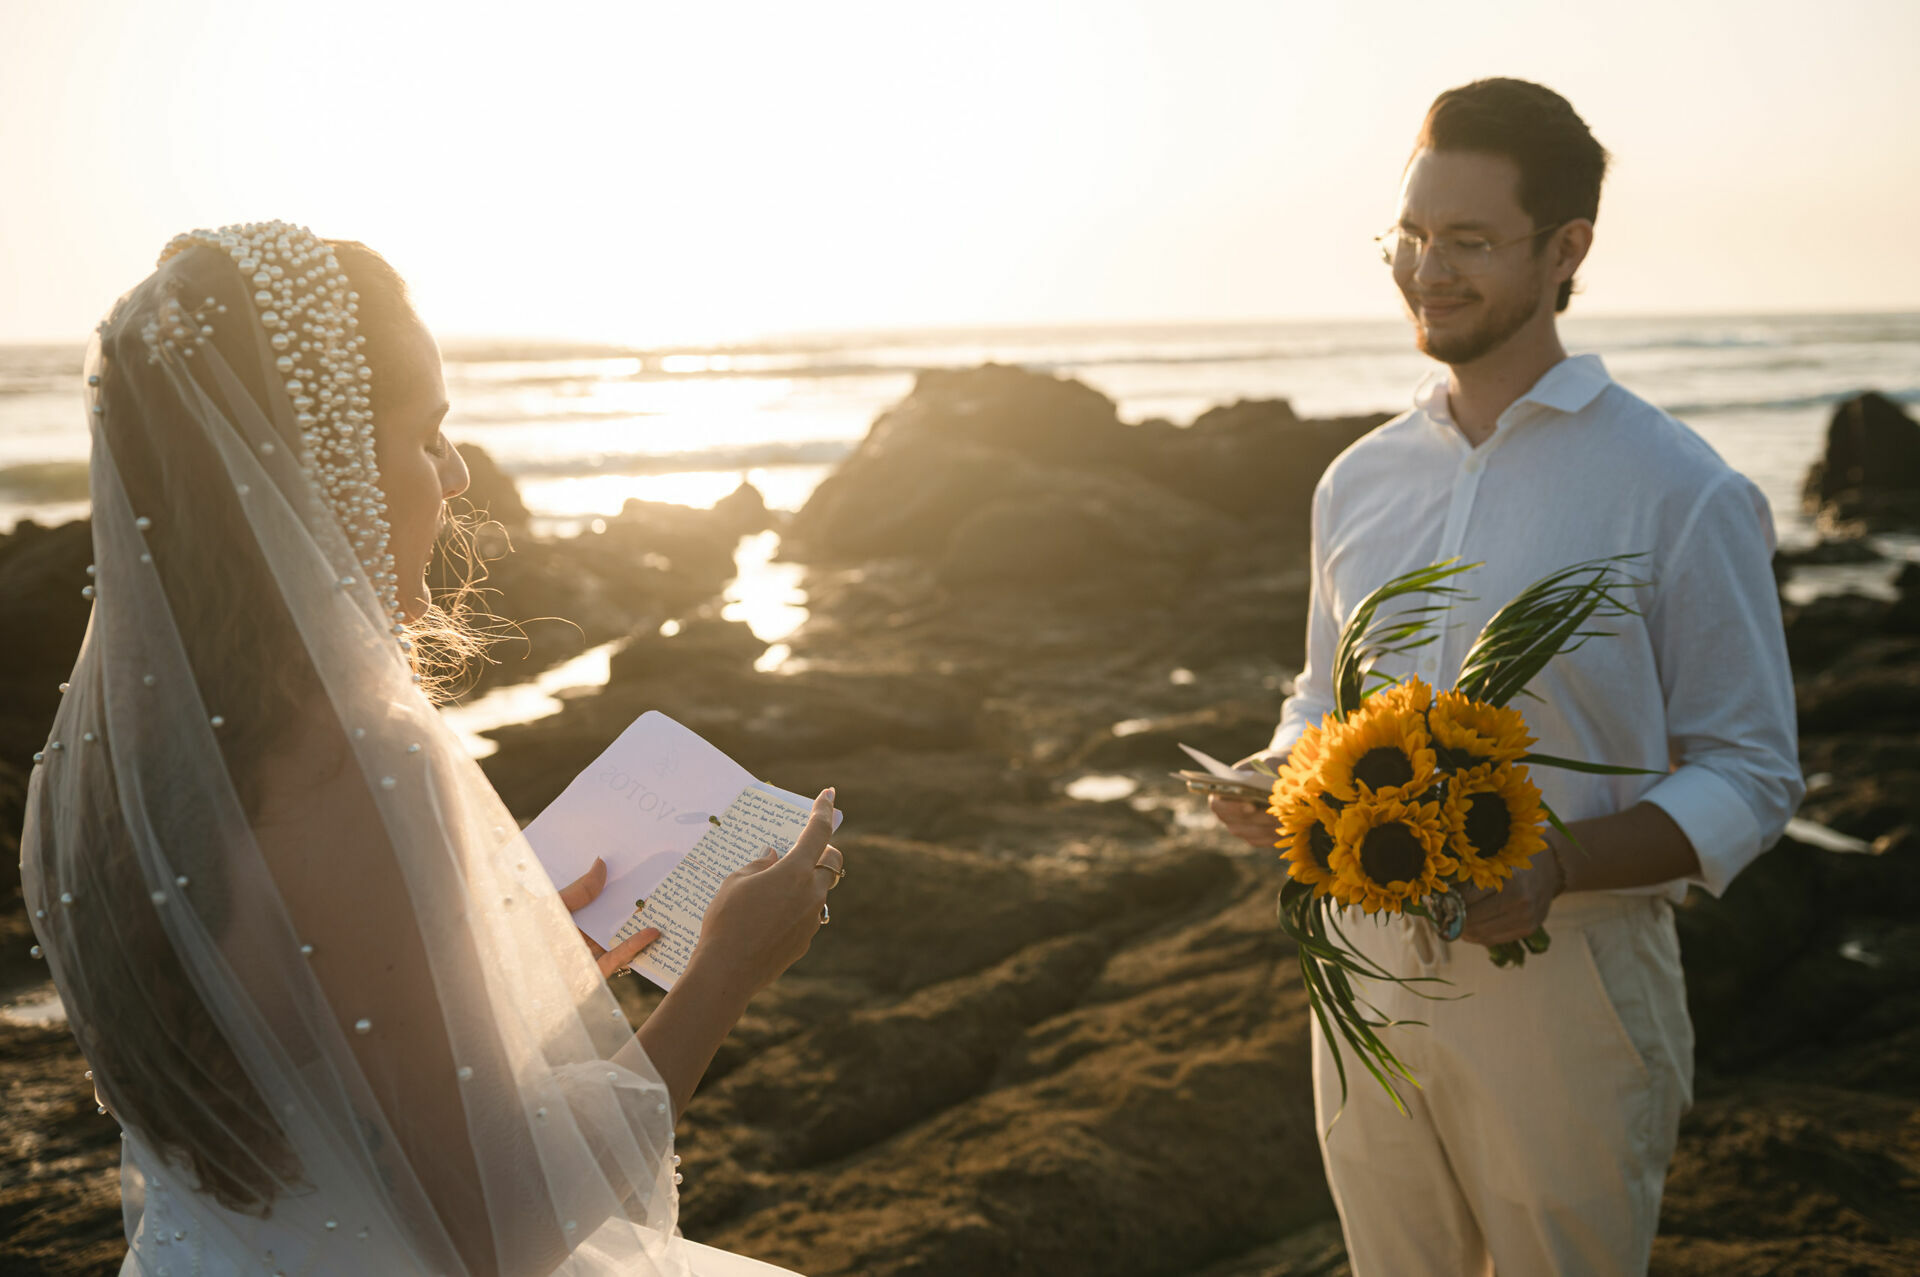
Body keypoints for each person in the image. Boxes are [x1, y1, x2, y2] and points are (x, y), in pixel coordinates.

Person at [21, 222, 840, 1276]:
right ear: (325, 463)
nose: (454, 474)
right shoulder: (354, 761)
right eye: (427, 435)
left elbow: (299, 1089)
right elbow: (490, 1235)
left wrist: (505, 984)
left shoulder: (82, 764)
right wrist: (729, 964)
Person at [1210, 80, 1802, 1275]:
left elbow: (1753, 767)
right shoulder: (1357, 481)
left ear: (1567, 249)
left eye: (1471, 241)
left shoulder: (1677, 486)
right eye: (1414, 235)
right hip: (1362, 967)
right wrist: (1277, 772)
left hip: (1572, 985)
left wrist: (1560, 862)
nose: (1429, 269)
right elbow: (1325, 696)